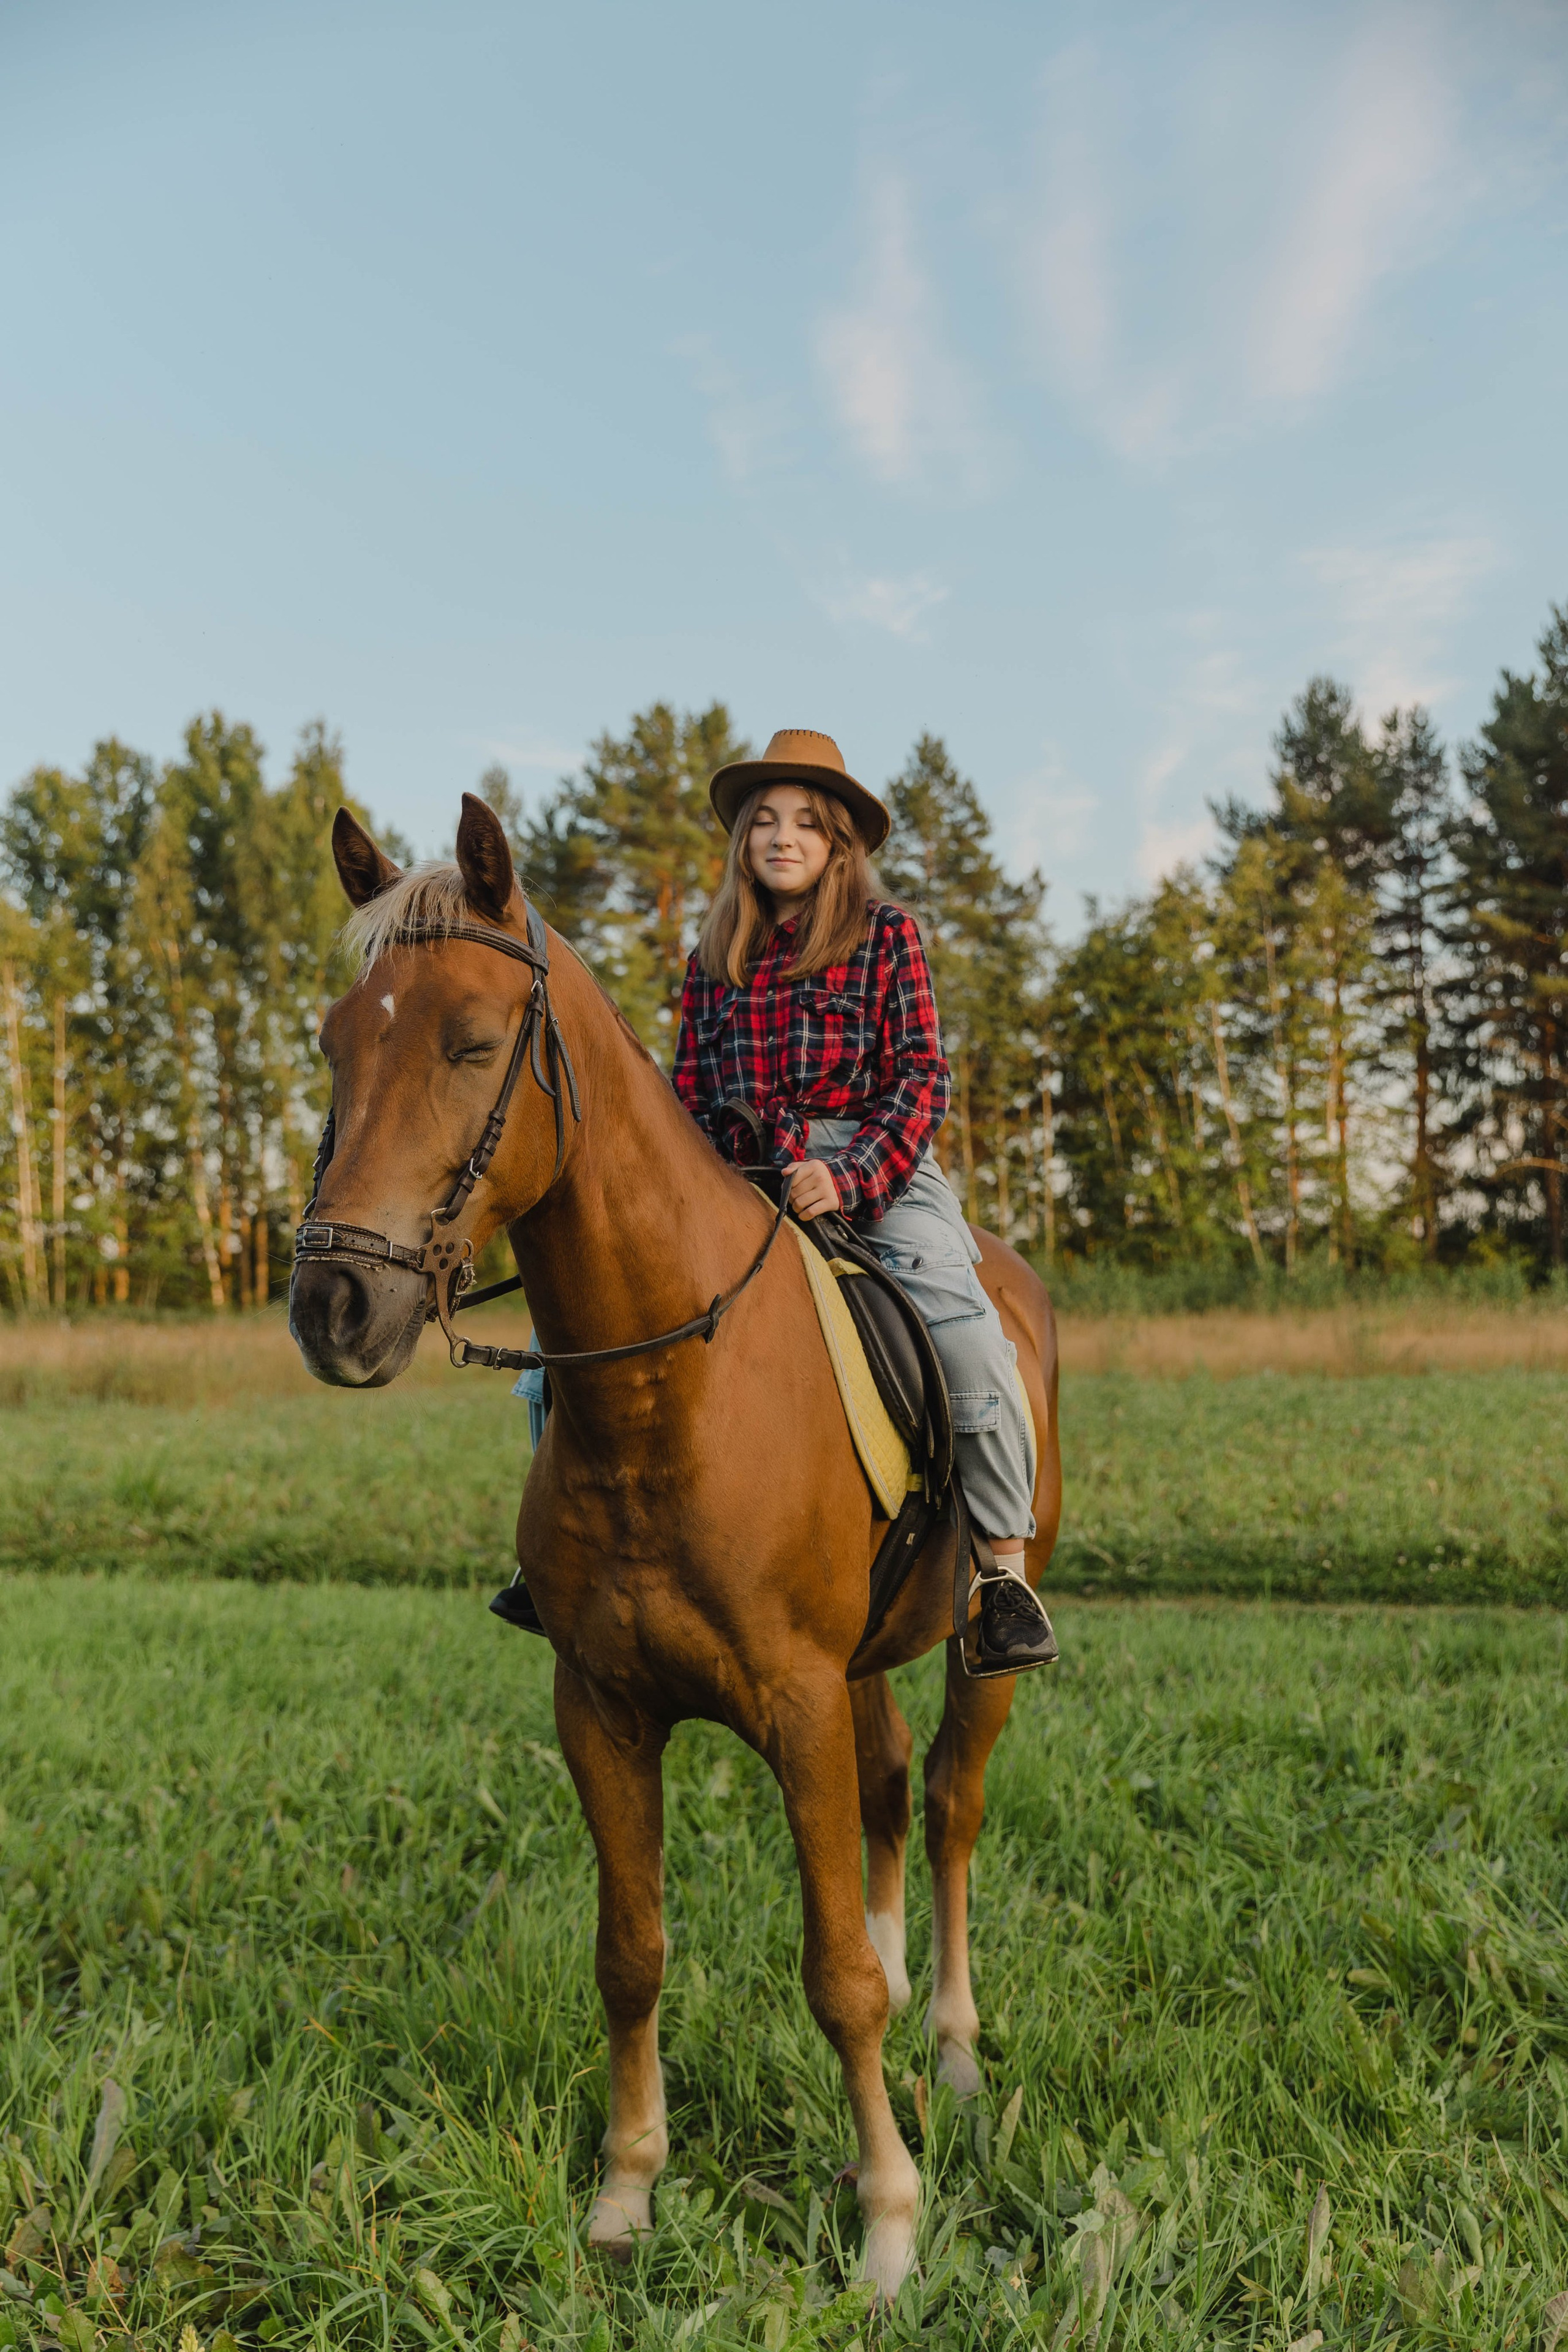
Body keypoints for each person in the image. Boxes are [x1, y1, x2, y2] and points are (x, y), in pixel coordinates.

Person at [671, 728, 1055, 1675]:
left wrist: (844, 1177)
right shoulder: (712, 956)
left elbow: (923, 1077)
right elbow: (684, 1090)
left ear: (840, 842)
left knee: (968, 1337)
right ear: (742, 845)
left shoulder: (887, 936)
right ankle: (561, 1554)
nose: (782, 836)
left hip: (874, 1164)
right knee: (573, 1347)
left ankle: (1001, 1575)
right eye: (763, 821)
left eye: (806, 821)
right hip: (738, 1172)